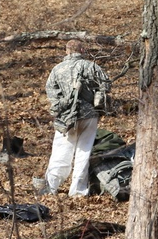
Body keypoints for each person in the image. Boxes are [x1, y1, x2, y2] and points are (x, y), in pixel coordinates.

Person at [40, 40, 111, 196]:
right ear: (82, 50)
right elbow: (106, 85)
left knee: (60, 152)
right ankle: (78, 191)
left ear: (66, 51)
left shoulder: (57, 70)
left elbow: (52, 95)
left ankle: (51, 187)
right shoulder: (91, 66)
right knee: (83, 153)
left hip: (65, 118)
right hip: (89, 115)